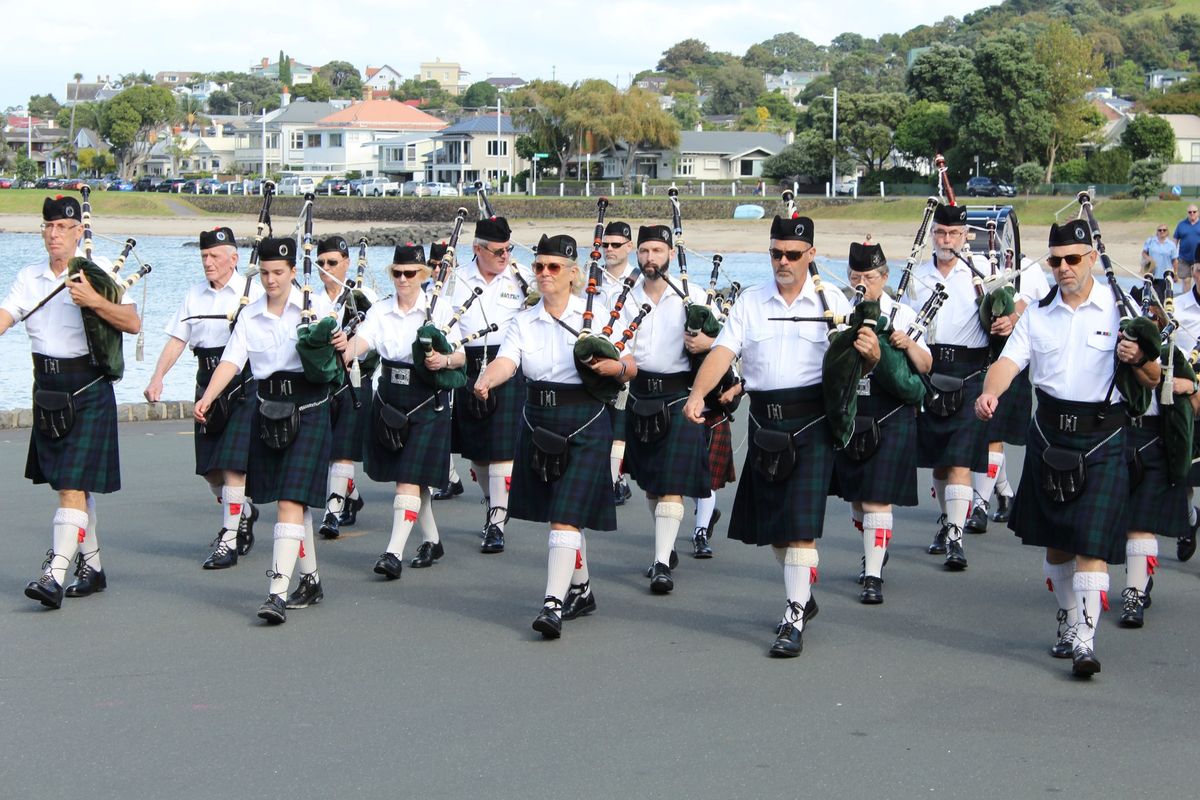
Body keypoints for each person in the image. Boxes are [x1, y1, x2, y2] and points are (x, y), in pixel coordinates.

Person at [976, 219, 1161, 677]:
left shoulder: (1123, 310)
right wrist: (989, 393)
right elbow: (1006, 363)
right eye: (1056, 260)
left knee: (1089, 543)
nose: (1063, 268)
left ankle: (1084, 637)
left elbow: (1153, 378)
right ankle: (1068, 618)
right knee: (1057, 546)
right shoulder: (1036, 314)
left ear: (1093, 259)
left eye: (1073, 259)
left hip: (1104, 435)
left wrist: (1138, 359)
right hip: (1050, 433)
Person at [683, 215, 868, 658]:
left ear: (811, 255)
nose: (782, 262)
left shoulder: (832, 301)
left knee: (800, 526)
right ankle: (803, 595)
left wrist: (872, 353)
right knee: (777, 531)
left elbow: (855, 364)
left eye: (791, 254)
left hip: (812, 423)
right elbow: (724, 350)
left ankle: (792, 616)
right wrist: (697, 395)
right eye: (775, 253)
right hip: (765, 423)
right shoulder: (750, 301)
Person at [474, 234, 628, 639]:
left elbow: (630, 361)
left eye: (553, 267)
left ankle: (552, 604)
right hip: (537, 421)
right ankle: (581, 588)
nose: (544, 273)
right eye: (539, 266)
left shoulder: (595, 317)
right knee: (563, 517)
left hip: (585, 421)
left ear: (573, 273)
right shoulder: (523, 321)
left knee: (564, 515)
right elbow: (509, 360)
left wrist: (619, 371)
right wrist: (487, 378)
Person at [195, 237, 346, 625]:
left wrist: (341, 342)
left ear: (293, 271)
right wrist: (209, 398)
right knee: (288, 498)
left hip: (309, 408)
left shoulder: (316, 307)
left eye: (278, 272)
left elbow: (341, 352)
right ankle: (310, 581)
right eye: (263, 273)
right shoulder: (250, 315)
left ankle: (276, 592)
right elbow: (231, 361)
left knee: (289, 501)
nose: (270, 280)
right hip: (268, 410)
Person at [0, 196, 141, 609]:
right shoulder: (29, 277)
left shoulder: (94, 274)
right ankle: (92, 568)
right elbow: (6, 315)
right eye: (48, 227)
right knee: (68, 485)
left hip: (87, 388)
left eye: (62, 227)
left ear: (79, 230)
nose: (53, 234)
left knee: (70, 486)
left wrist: (94, 301)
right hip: (47, 389)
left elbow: (132, 323)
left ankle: (55, 573)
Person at [144, 226, 262, 569]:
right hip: (205, 376)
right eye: (204, 257)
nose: (208, 263)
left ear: (233, 259)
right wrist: (158, 376)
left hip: (243, 382)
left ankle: (228, 539)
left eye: (214, 256)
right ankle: (244, 511)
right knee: (211, 470)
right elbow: (178, 339)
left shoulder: (251, 292)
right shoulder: (194, 295)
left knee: (232, 465)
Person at [347, 244, 459, 578]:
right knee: (410, 477)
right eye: (397, 273)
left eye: (410, 273)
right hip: (390, 399)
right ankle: (433, 540)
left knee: (408, 478)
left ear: (424, 275)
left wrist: (444, 360)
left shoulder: (440, 310)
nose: (403, 279)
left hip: (427, 400)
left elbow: (462, 357)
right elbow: (363, 341)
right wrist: (342, 350)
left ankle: (392, 553)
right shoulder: (380, 310)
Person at [830, 242, 931, 604]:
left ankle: (872, 574)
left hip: (890, 413)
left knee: (876, 499)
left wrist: (906, 345)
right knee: (858, 499)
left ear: (884, 277)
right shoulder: (839, 311)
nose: (862, 283)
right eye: (855, 276)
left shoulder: (902, 313)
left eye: (869, 277)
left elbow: (925, 365)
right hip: (853, 410)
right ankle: (876, 546)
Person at [620, 224, 712, 592]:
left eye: (657, 251)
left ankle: (661, 563)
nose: (649, 258)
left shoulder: (693, 296)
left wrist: (705, 341)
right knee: (652, 486)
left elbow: (721, 340)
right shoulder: (625, 297)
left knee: (671, 482)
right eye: (644, 251)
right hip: (640, 394)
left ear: (671, 255)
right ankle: (666, 543)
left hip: (678, 396)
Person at [905, 203, 991, 570]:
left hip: (970, 370)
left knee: (958, 459)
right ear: (932, 235)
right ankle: (947, 521)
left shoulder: (983, 272)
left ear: (965, 235)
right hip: (929, 365)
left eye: (954, 233)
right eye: (940, 233)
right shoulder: (917, 275)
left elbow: (1009, 309)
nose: (946, 240)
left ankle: (955, 535)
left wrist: (1005, 317)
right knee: (940, 462)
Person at [449, 216, 531, 553]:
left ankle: (497, 519)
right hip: (466, 362)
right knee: (478, 452)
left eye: (508, 249)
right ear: (477, 249)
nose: (504, 256)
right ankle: (490, 499)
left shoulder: (522, 275)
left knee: (501, 450)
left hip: (508, 362)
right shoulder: (455, 280)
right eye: (498, 251)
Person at [1118, 280, 1196, 628]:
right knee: (1121, 524)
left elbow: (1194, 399)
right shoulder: (1114, 348)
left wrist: (1188, 385)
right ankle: (1138, 576)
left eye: (1153, 315)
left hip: (1154, 438)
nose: (1150, 318)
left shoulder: (1174, 352)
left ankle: (1133, 594)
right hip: (1113, 433)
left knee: (1141, 524)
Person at [964, 250, 1051, 533]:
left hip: (1012, 358)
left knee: (994, 432)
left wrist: (1012, 319)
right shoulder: (973, 263)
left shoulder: (1030, 268)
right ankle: (1005, 492)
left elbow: (1041, 310)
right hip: (978, 354)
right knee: (983, 432)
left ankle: (980, 503)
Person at [312, 235, 377, 539]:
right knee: (324, 448)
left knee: (341, 450)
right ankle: (350, 496)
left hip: (353, 379)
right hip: (318, 381)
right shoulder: (308, 298)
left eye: (332, 263)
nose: (326, 268)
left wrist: (351, 347)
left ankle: (332, 512)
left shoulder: (362, 298)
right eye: (321, 263)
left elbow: (374, 343)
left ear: (346, 263)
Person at [599, 220, 638, 505]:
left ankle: (615, 479)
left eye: (615, 245)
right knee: (603, 424)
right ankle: (613, 479)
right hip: (599, 359)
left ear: (629, 246)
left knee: (622, 427)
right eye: (605, 245)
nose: (609, 249)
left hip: (633, 361)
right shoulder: (592, 279)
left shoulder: (641, 279)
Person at [1171, 262, 1200, 560]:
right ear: (1193, 272)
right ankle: (1189, 520)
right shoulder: (1176, 309)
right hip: (1185, 404)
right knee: (1184, 476)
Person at [1173, 205, 1200, 291]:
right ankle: (1187, 299)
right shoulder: (1181, 225)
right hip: (1184, 258)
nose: (1192, 214)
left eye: (1194, 212)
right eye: (1190, 212)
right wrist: (1174, 255)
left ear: (1198, 212)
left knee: (1198, 280)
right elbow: (1175, 240)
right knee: (1186, 280)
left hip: (1198, 259)